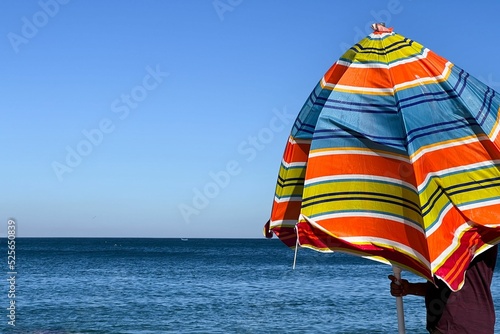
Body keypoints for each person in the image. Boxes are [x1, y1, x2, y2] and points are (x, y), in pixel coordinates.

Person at [388, 245, 498, 334]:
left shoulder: (478, 234)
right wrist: (410, 288)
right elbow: (444, 287)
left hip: (458, 325)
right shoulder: (443, 240)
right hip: (453, 323)